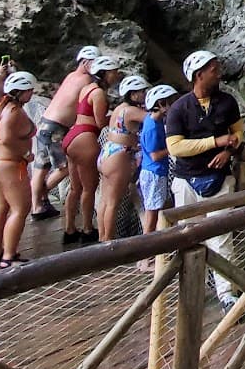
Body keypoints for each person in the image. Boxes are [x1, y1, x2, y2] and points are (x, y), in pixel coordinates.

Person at [165, 50, 244, 304]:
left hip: (219, 178)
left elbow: (238, 134)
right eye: (213, 69)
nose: (218, 73)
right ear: (199, 75)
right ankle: (190, 290)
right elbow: (176, 147)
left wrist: (228, 150)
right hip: (186, 180)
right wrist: (216, 142)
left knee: (221, 236)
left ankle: (226, 294)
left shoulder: (228, 103)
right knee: (188, 237)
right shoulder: (178, 108)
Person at [32, 45, 98, 221]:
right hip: (57, 128)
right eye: (94, 63)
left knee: (41, 166)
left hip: (44, 123)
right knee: (64, 167)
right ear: (85, 62)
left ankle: (37, 205)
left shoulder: (71, 76)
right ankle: (42, 196)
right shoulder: (86, 81)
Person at [61, 54, 116, 244]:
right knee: (89, 188)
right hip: (85, 137)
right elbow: (101, 122)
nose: (115, 75)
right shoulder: (99, 93)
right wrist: (119, 116)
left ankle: (69, 229)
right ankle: (87, 228)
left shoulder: (86, 88)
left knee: (75, 187)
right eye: (113, 72)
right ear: (105, 73)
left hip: (72, 135)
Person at [0, 71, 38, 268]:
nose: (31, 95)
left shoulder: (0, 107)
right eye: (30, 91)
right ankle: (9, 256)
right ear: (22, 92)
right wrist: (25, 155)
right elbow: (7, 139)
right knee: (20, 210)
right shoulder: (14, 111)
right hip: (9, 165)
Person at [96, 74, 148, 242]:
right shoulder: (133, 111)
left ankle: (102, 239)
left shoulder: (119, 108)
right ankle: (109, 244)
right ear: (133, 94)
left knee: (104, 200)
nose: (145, 94)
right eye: (142, 92)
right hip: (120, 156)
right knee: (113, 203)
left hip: (107, 152)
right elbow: (154, 119)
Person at [138, 84, 179, 234]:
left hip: (155, 172)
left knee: (156, 209)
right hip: (154, 173)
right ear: (160, 104)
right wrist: (174, 147)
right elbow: (154, 155)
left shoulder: (153, 120)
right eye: (169, 101)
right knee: (152, 213)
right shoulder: (153, 128)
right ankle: (146, 251)